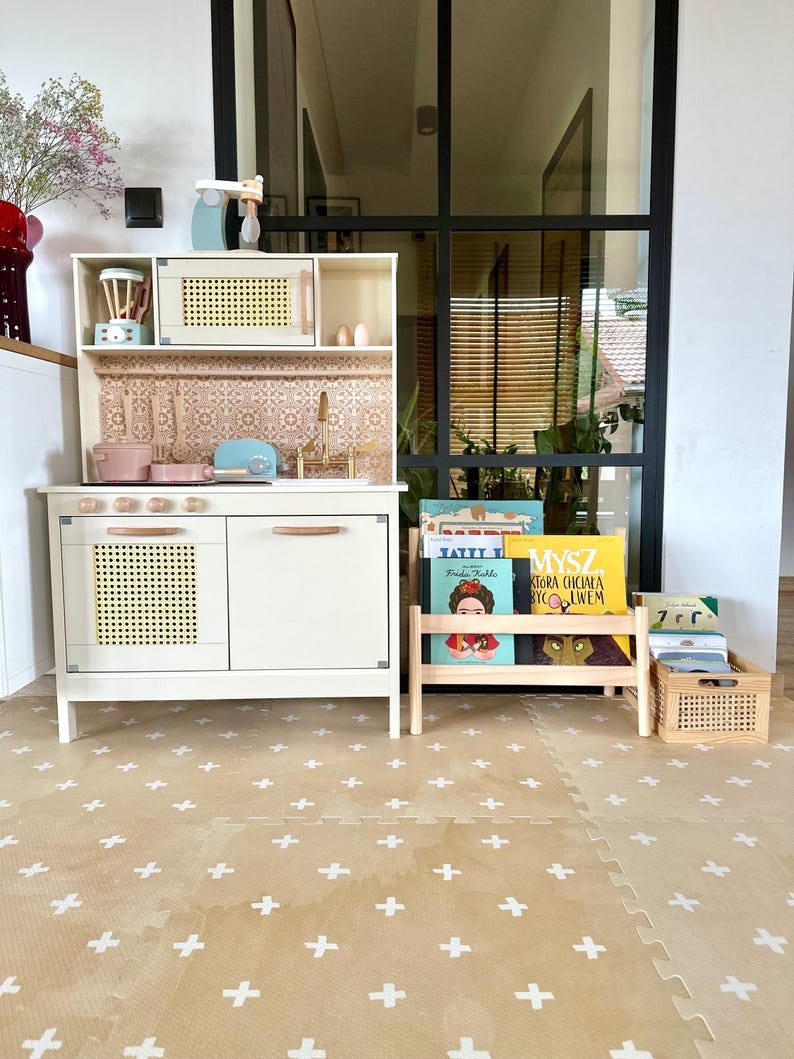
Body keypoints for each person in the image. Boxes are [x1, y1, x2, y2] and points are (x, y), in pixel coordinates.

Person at [444, 578, 500, 661]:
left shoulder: (486, 633)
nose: (470, 617)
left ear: (486, 613)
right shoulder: (456, 633)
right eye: (463, 613)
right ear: (455, 612)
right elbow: (454, 653)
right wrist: (473, 648)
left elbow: (489, 654)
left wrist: (469, 647)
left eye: (477, 613)